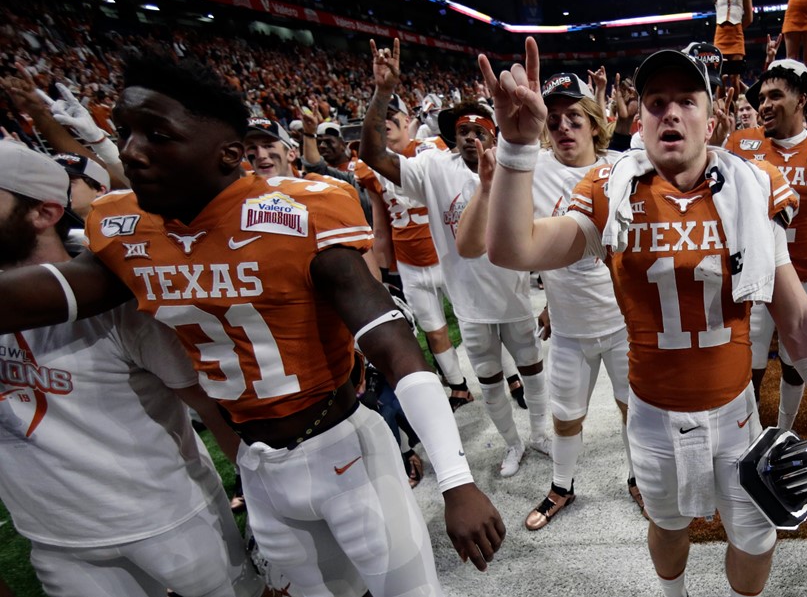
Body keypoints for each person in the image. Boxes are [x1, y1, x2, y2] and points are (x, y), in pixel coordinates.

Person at [0, 54, 505, 597]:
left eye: (157, 135)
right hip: (258, 468)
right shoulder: (125, 230)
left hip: (345, 453)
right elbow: (45, 295)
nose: (131, 151)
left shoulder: (300, 211)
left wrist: (456, 480)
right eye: (125, 133)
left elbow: (393, 345)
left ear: (228, 154)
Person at [476, 36, 807, 597]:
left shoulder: (752, 183)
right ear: (638, 120)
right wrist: (516, 148)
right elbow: (514, 250)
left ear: (711, 115)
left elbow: (795, 317)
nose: (670, 112)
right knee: (667, 526)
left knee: (756, 537)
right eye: (654, 102)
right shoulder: (609, 188)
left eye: (686, 100)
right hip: (651, 415)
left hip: (735, 412)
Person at [0, 140, 263, 597]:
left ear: (43, 211)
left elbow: (212, 405)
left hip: (170, 519)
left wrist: (264, 498)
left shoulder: (120, 292)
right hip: (55, 538)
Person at [455, 71, 641, 529]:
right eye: (553, 119)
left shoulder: (625, 167)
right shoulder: (529, 168)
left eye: (574, 116)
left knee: (632, 409)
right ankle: (562, 485)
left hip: (623, 324)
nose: (563, 127)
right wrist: (487, 187)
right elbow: (470, 246)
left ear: (595, 123)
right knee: (565, 417)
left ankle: (638, 477)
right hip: (571, 327)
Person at [360, 40, 552, 479]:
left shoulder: (519, 162)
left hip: (516, 294)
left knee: (533, 369)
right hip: (467, 301)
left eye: (479, 128)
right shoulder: (432, 168)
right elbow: (372, 156)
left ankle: (540, 432)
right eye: (462, 129)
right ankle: (512, 443)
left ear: (495, 133)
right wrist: (383, 92)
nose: (469, 135)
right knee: (487, 379)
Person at [726, 58, 807, 430]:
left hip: (804, 274)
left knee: (794, 359)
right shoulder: (740, 145)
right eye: (761, 97)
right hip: (751, 277)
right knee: (747, 362)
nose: (764, 104)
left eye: (775, 95)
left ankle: (784, 429)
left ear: (802, 99)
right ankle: (747, 434)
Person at [355, 94, 473, 408]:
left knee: (478, 320)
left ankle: (510, 375)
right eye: (382, 118)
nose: (387, 123)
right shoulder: (369, 169)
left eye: (394, 116)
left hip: (447, 252)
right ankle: (459, 386)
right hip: (410, 261)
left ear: (408, 120)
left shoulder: (431, 148)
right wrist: (382, 272)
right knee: (434, 332)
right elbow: (380, 223)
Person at [701, 0, 752, 90]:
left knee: (735, 79)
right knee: (721, 77)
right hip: (720, 36)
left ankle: (735, 109)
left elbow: (749, 18)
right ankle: (721, 109)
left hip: (737, 38)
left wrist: (738, 29)